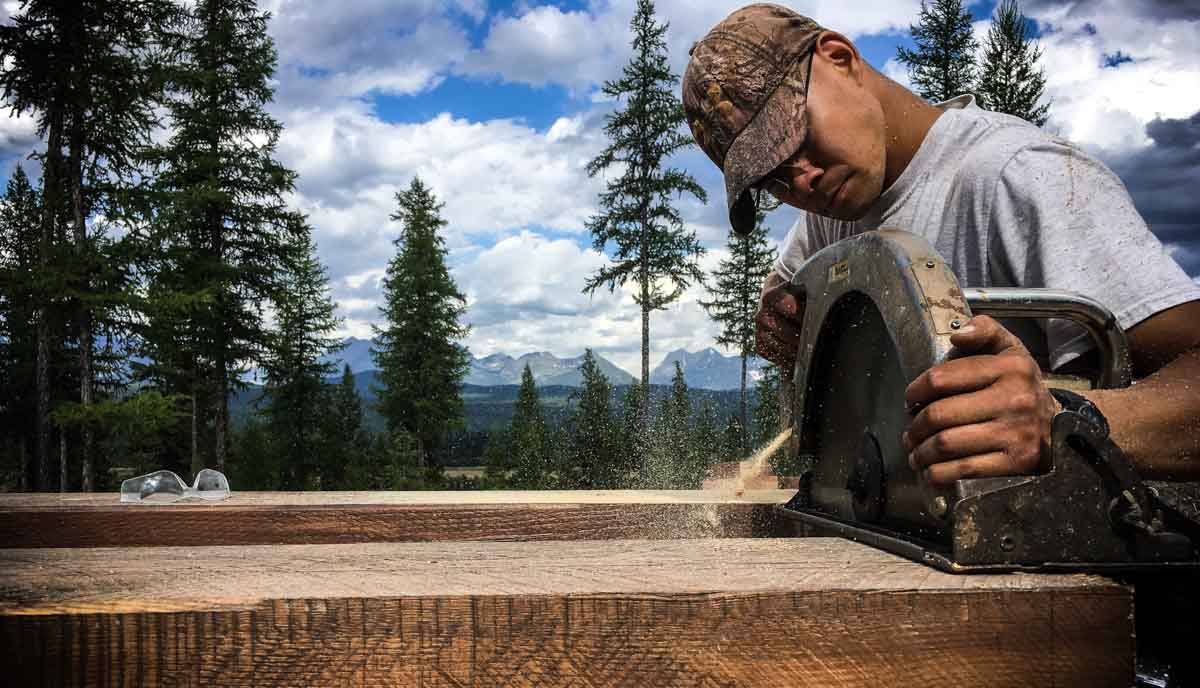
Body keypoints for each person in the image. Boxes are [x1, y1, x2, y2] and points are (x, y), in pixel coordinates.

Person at [682, 3, 1200, 483]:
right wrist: (779, 313)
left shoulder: (1018, 176)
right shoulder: (836, 207)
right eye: (772, 179)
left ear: (839, 58)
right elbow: (787, 289)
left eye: (797, 139)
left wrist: (1067, 419)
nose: (801, 183)